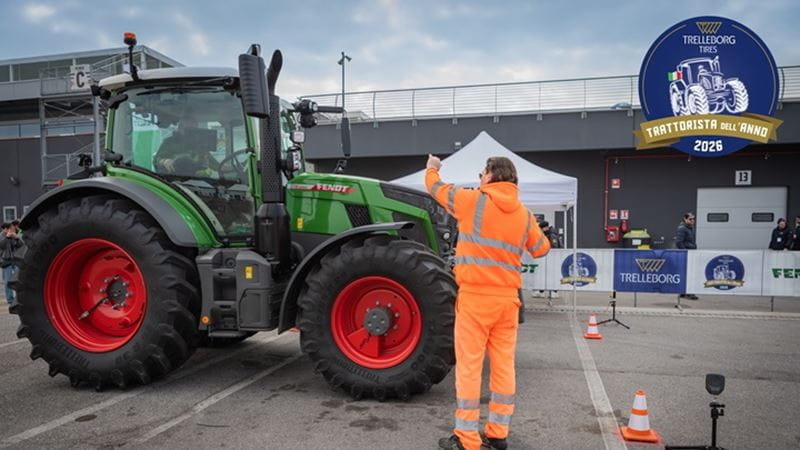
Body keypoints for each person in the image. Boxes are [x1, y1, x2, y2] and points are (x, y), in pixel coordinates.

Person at [427, 155, 551, 450]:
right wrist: (546, 235)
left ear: (491, 176)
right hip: (508, 301)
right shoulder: (524, 214)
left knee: (469, 368)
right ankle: (497, 433)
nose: (479, 177)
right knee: (503, 367)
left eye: (481, 172)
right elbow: (540, 249)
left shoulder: (473, 201)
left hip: (475, 300)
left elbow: (436, 188)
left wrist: (432, 167)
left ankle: (467, 439)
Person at [675, 213, 698, 300]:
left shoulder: (690, 228)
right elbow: (679, 242)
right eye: (690, 219)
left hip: (691, 253)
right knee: (689, 273)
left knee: (686, 273)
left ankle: (683, 292)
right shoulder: (682, 229)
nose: (692, 221)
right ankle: (689, 292)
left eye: (693, 219)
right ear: (685, 219)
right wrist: (685, 251)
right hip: (687, 254)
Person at [0, 221, 24, 304]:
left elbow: (21, 244)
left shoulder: (13, 235)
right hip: (6, 261)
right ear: (5, 229)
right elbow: (2, 246)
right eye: (10, 228)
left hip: (15, 261)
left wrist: (16, 237)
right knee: (7, 281)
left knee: (18, 279)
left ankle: (18, 297)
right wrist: (7, 237)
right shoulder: (1, 236)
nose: (12, 230)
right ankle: (9, 299)